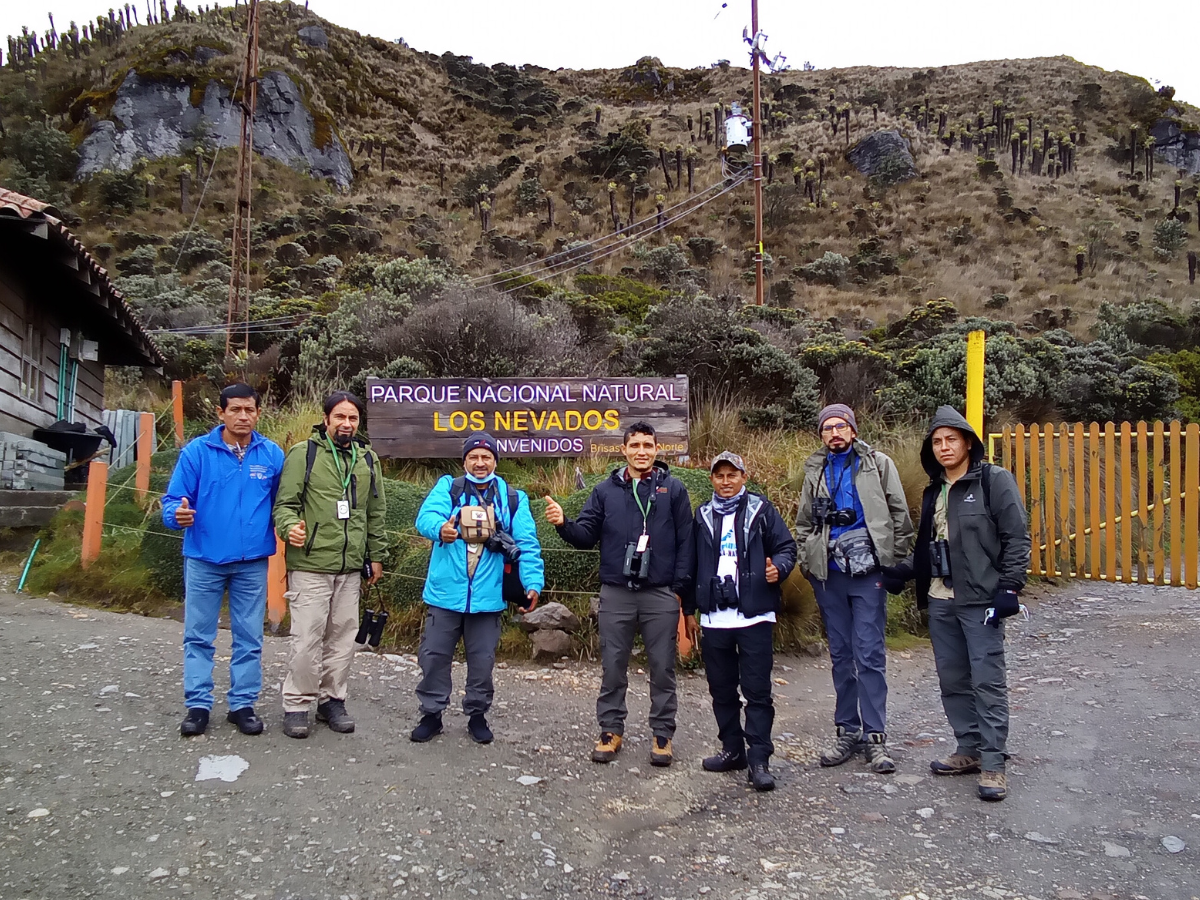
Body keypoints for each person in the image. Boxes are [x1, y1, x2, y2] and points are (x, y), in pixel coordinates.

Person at [884, 406, 1031, 802]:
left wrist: (1010, 588)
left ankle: (994, 763)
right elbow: (931, 546)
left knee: (987, 679)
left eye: (951, 439)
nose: (944, 447)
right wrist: (905, 572)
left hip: (981, 600)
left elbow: (1017, 537)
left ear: (968, 442)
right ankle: (968, 748)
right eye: (937, 441)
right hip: (940, 598)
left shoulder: (994, 482)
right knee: (952, 680)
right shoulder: (935, 490)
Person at [545, 421, 694, 767]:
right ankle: (611, 730)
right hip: (616, 593)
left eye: (648, 445)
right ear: (623, 449)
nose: (641, 451)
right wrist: (562, 523)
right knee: (613, 666)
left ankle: (662, 734)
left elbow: (687, 543)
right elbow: (585, 535)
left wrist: (680, 591)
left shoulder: (674, 490)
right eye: (635, 445)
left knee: (662, 667)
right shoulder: (604, 491)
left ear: (657, 449)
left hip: (660, 593)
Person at [162, 383, 285, 737]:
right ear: (221, 413)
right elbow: (173, 501)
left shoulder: (272, 455)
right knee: (198, 635)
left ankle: (242, 705)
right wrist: (176, 516)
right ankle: (198, 706)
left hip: (252, 562)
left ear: (258, 413)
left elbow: (282, 504)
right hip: (204, 559)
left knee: (250, 637)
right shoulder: (197, 453)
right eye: (235, 410)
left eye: (249, 410)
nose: (243, 416)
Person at [796, 403, 914, 774]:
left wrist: (894, 562)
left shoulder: (878, 464)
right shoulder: (814, 469)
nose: (834, 433)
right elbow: (803, 522)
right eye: (827, 427)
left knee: (869, 653)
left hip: (868, 575)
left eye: (840, 426)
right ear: (821, 434)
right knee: (842, 656)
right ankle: (847, 730)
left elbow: (899, 513)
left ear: (853, 429)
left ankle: (875, 736)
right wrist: (808, 560)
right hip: (829, 575)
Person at [410, 433, 545, 744]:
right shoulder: (449, 487)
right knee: (433, 657)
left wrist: (533, 583)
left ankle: (477, 715)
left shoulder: (513, 497)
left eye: (486, 457)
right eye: (474, 457)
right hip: (445, 594)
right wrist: (440, 529)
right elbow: (426, 517)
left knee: (482, 661)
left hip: (488, 596)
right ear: (465, 461)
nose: (480, 462)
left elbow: (526, 543)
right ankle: (431, 714)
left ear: (495, 461)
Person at [273, 391, 387, 739]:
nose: (347, 424)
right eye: (340, 417)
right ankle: (297, 704)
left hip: (350, 566)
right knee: (307, 638)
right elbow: (285, 504)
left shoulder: (367, 458)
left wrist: (377, 556)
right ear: (326, 420)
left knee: (343, 638)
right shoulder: (303, 454)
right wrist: (289, 527)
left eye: (353, 418)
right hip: (310, 563)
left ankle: (332, 701)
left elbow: (375, 512)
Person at [685, 451, 797, 792]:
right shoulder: (701, 515)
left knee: (757, 692)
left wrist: (779, 567)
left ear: (743, 477)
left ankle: (759, 759)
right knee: (721, 691)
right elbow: (689, 565)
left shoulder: (761, 511)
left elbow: (787, 547)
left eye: (732, 474)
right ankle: (732, 749)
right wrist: (689, 610)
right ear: (712, 480)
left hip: (755, 616)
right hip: (715, 617)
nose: (725, 481)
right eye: (719, 475)